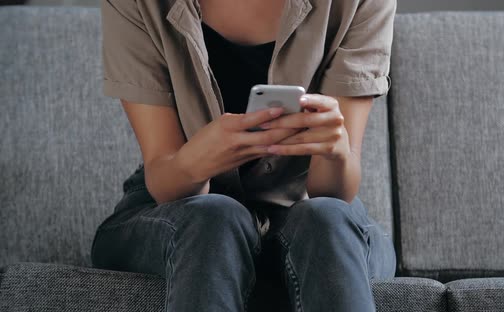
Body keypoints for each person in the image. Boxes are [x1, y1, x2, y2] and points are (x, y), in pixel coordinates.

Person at [91, 0, 397, 311]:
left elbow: (336, 193)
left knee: (326, 219)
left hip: (310, 208)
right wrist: (199, 158)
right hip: (178, 210)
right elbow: (163, 180)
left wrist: (334, 152)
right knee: (214, 218)